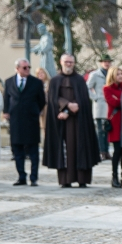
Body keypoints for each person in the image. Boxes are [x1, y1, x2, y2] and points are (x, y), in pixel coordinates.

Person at [44, 53, 99, 188]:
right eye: (66, 62)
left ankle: (82, 179)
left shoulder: (79, 80)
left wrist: (69, 110)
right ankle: (65, 180)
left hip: (79, 121)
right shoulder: (55, 80)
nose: (69, 64)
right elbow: (52, 99)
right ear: (61, 63)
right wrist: (66, 106)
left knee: (80, 148)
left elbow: (83, 100)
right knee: (64, 151)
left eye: (71, 62)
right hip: (61, 122)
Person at [3, 58, 46, 187]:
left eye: (29, 67)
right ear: (17, 69)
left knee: (33, 151)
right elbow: (6, 98)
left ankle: (33, 178)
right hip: (16, 121)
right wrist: (6, 111)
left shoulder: (36, 82)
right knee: (18, 150)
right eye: (24, 68)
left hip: (31, 120)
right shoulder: (9, 81)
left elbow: (42, 101)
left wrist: (34, 110)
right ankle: (21, 176)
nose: (27, 70)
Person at [102, 66, 122, 188]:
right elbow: (114, 102)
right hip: (115, 123)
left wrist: (121, 98)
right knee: (117, 152)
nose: (120, 76)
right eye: (118, 74)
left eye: (121, 74)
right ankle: (114, 177)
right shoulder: (107, 88)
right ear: (112, 75)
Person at [87, 54, 112, 162]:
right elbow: (87, 87)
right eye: (104, 61)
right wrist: (95, 97)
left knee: (107, 130)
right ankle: (101, 151)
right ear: (101, 63)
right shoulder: (95, 74)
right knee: (100, 131)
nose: (106, 63)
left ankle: (106, 151)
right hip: (100, 106)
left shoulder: (111, 73)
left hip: (110, 106)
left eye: (108, 61)